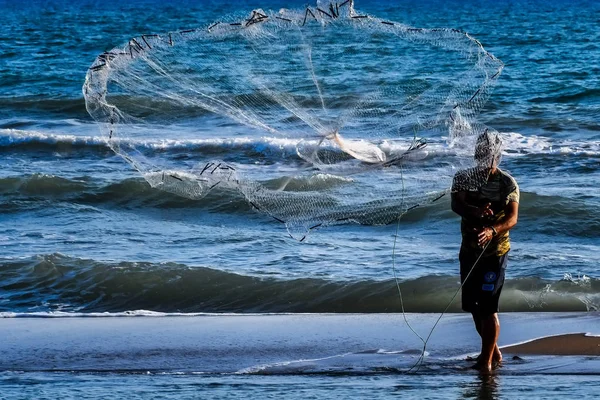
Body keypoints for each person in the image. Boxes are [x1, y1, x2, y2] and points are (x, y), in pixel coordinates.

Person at [451, 131, 519, 374]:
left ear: (497, 156)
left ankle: (486, 362)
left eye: (490, 155)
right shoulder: (462, 178)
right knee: (473, 306)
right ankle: (494, 352)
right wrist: (475, 212)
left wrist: (492, 229)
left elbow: (512, 218)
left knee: (488, 307)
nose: (486, 159)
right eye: (482, 154)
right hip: (469, 250)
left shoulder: (507, 184)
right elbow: (456, 204)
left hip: (495, 254)